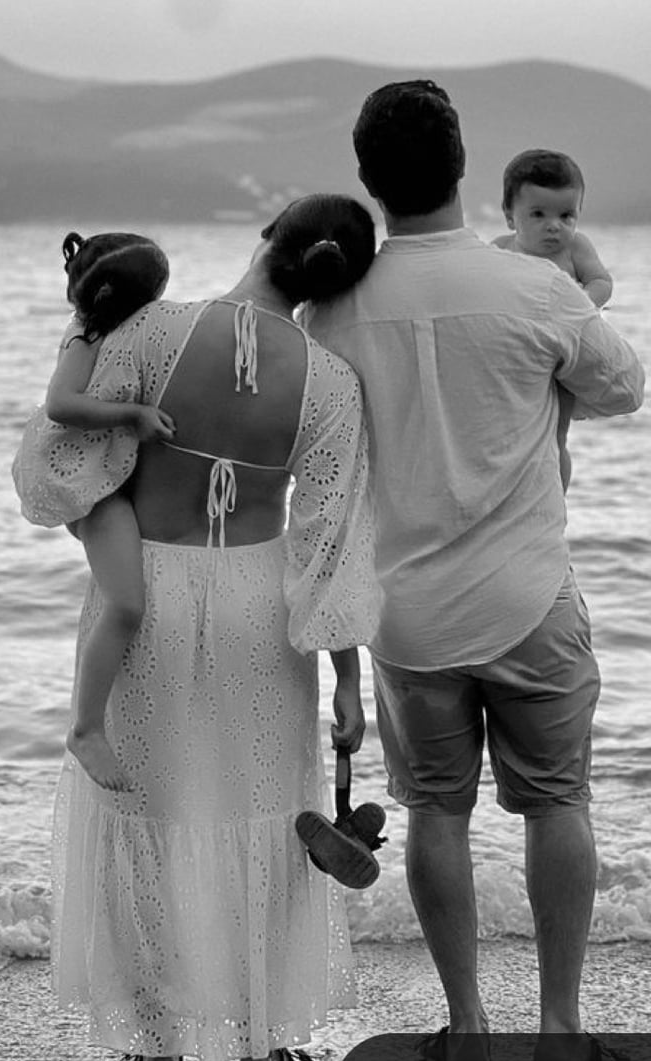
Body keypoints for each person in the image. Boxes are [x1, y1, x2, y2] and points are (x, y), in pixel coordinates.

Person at [304, 82, 644, 1061]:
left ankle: (466, 1020)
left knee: (435, 815)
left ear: (370, 181)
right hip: (529, 595)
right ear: (463, 172)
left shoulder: (334, 307)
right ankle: (561, 1023)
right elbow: (622, 387)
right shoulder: (537, 287)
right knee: (559, 803)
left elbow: (314, 455)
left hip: (405, 616)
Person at [13, 194, 383, 1061]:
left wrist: (93, 518)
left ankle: (156, 1037)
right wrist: (349, 680)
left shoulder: (148, 332)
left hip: (147, 589)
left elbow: (54, 467)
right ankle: (256, 1033)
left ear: (267, 237)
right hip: (263, 602)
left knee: (141, 814)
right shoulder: (331, 384)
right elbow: (329, 549)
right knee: (261, 814)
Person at [13, 230, 175, 792]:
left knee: (125, 597)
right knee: (127, 604)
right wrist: (134, 414)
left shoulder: (115, 328)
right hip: (79, 479)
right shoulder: (85, 334)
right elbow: (61, 404)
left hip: (99, 471)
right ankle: (85, 729)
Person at [492, 149, 614, 490]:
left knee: (556, 435)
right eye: (538, 214)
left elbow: (602, 282)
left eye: (566, 215)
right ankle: (513, 486)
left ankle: (556, 496)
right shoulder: (500, 250)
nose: (554, 226)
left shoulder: (575, 248)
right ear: (509, 215)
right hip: (516, 354)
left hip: (563, 356)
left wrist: (582, 303)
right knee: (511, 428)